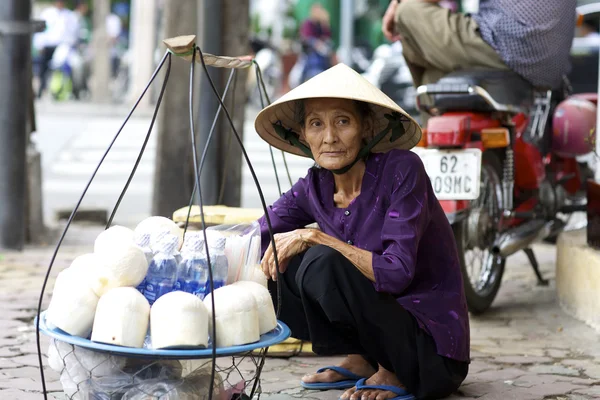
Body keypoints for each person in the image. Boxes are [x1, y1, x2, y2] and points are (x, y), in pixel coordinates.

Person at [254, 64, 469, 400]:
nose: (329, 137)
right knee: (273, 267)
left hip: (430, 352)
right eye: (316, 124)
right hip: (381, 332)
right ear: (303, 133)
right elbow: (259, 232)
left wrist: (316, 237)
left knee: (321, 260)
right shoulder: (315, 184)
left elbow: (396, 273)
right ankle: (363, 359)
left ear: (366, 127)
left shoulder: (402, 170)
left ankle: (395, 371)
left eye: (343, 121)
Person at [381, 0, 577, 90]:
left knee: (409, 11)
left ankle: (424, 121)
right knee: (435, 75)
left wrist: (397, 3)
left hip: (507, 45)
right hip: (549, 67)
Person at [35, 0, 79, 98]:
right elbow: (41, 30)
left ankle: (62, 90)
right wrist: (39, 44)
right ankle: (42, 89)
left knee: (62, 69)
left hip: (62, 46)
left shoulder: (69, 15)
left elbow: (73, 33)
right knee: (43, 69)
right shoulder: (47, 13)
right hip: (48, 45)